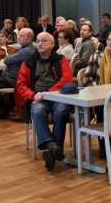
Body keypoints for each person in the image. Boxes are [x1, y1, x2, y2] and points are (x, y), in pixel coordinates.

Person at [15, 33, 73, 171]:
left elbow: (67, 79)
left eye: (44, 41)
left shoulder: (60, 59)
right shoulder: (29, 62)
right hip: (38, 96)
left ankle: (51, 149)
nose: (40, 43)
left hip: (57, 96)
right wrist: (33, 95)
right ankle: (53, 146)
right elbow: (21, 84)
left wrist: (50, 92)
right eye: (38, 41)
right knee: (38, 110)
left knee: (61, 111)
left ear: (52, 44)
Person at [0, 28, 35, 119]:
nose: (19, 38)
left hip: (11, 79)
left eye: (22, 36)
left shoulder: (26, 51)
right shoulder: (26, 49)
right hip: (10, 77)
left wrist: (9, 56)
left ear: (29, 39)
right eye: (19, 36)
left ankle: (4, 108)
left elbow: (7, 60)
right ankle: (5, 107)